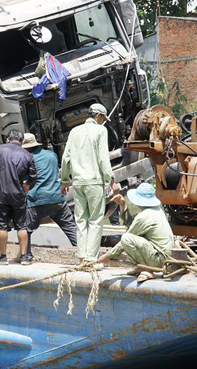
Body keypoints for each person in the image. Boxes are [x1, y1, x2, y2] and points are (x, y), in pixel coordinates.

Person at [60, 103, 114, 264]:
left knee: (81, 220)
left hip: (77, 183)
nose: (103, 121)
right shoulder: (100, 130)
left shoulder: (74, 131)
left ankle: (82, 258)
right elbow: (103, 157)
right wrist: (110, 179)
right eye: (103, 118)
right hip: (94, 182)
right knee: (96, 220)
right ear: (98, 115)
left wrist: (64, 180)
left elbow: (65, 158)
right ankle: (91, 258)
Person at [0, 129, 37, 265]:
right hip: (18, 194)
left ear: (7, 140)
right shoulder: (27, 155)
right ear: (22, 142)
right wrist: (27, 184)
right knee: (22, 226)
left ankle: (3, 257)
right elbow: (34, 176)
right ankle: (24, 257)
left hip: (0, 194)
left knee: (1, 226)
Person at [98, 183, 174, 282]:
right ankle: (144, 266)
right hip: (166, 257)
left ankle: (147, 268)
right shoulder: (157, 210)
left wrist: (107, 256)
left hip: (159, 258)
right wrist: (122, 204)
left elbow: (126, 240)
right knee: (129, 235)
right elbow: (132, 223)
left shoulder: (144, 216)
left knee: (126, 238)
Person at [23, 133, 77, 261]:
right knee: (71, 228)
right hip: (57, 197)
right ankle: (84, 255)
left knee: (25, 230)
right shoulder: (51, 155)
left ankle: (26, 256)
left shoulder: (26, 158)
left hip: (36, 199)